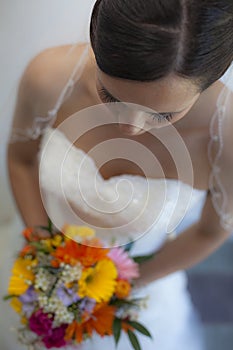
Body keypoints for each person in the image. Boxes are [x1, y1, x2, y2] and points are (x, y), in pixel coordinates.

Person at [4, 0, 233, 349]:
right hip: (42, 253)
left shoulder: (225, 137)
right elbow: (21, 160)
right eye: (110, 95)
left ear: (210, 81)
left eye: (163, 115)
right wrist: (48, 259)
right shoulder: (49, 78)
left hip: (142, 281)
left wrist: (122, 288)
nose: (131, 128)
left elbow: (209, 231)